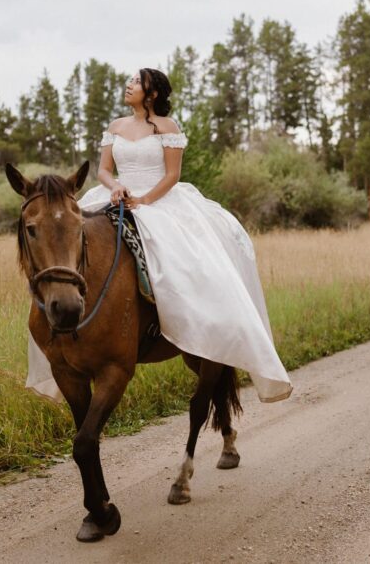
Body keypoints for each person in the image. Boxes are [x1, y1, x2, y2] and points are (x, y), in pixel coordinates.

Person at [25, 68, 292, 404]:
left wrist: (145, 200)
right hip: (116, 196)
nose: (129, 85)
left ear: (151, 93)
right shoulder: (116, 127)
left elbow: (172, 174)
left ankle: (196, 319)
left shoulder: (169, 128)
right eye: (131, 81)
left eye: (136, 82)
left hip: (159, 199)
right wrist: (115, 186)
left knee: (186, 258)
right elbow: (104, 170)